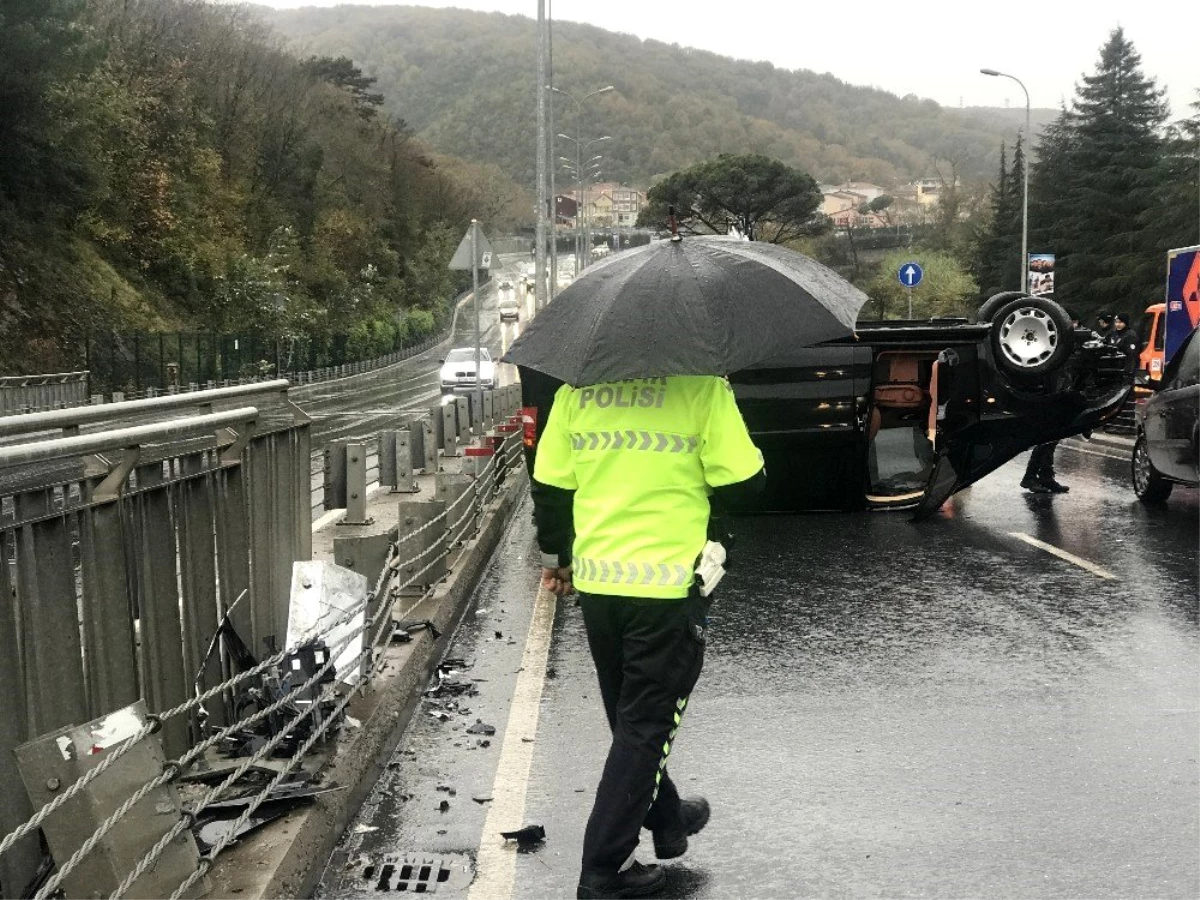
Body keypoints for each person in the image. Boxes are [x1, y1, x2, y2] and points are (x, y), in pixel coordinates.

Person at [532, 375, 765, 900]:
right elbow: (747, 483)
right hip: (666, 586)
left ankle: (666, 815)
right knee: (646, 724)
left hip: (598, 583)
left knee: (629, 714)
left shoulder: (574, 394)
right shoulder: (703, 390)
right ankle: (602, 870)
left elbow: (549, 487)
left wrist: (557, 558)